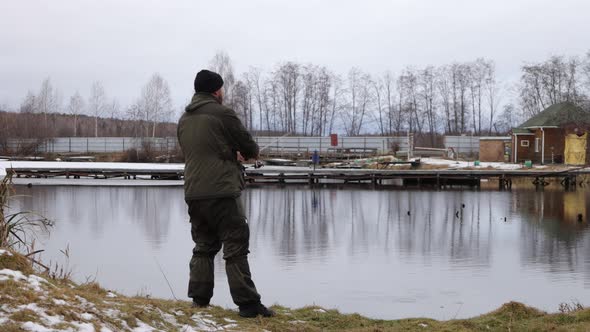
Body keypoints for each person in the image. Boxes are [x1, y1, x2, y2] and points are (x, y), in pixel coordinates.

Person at [177, 69, 274, 318]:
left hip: (194, 192)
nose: (223, 93)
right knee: (235, 243)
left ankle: (199, 301)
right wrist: (243, 153)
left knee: (203, 245)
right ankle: (248, 305)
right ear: (216, 90)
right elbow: (248, 145)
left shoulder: (184, 120)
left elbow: (202, 150)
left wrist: (229, 153)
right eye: (222, 89)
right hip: (221, 191)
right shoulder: (222, 113)